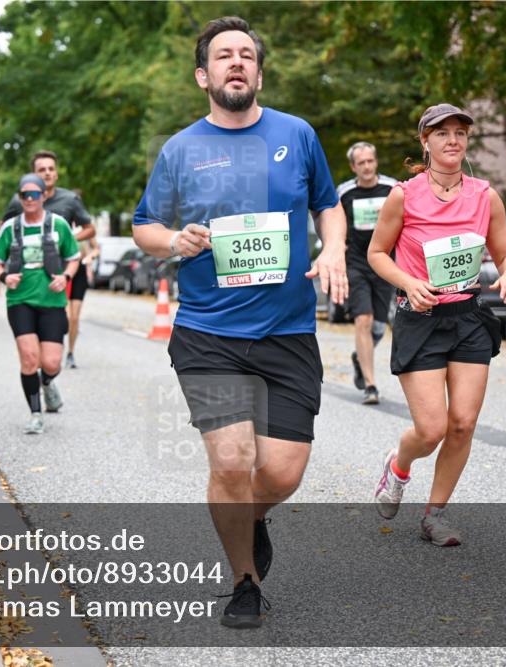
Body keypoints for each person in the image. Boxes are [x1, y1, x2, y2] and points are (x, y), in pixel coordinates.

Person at [132, 16, 346, 629]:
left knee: (280, 471)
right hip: (208, 335)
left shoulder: (297, 135)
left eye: (246, 55)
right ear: (204, 75)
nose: (236, 63)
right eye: (223, 55)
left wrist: (333, 249)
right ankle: (244, 581)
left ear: (257, 71)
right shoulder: (181, 149)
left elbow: (327, 206)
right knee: (230, 463)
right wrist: (175, 239)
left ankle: (252, 517)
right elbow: (145, 226)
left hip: (287, 333)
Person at [368, 104, 506, 546]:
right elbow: (377, 253)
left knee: (462, 425)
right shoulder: (404, 195)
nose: (452, 140)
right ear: (426, 141)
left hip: (469, 316)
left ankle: (434, 515)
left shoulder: (484, 195)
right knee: (432, 428)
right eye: (442, 133)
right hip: (421, 318)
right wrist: (409, 282)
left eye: (460, 132)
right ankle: (399, 464)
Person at [0, 174, 80, 435]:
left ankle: (47, 382)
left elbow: (73, 258)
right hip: (20, 301)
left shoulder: (58, 224)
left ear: (43, 196)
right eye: (25, 195)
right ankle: (35, 413)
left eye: (35, 195)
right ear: (20, 198)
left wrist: (66, 277)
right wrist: (5, 277)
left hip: (52, 300)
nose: (30, 199)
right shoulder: (11, 228)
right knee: (29, 359)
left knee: (51, 363)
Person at [3, 151, 95, 369]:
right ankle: (44, 361)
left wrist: (66, 239)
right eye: (41, 170)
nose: (47, 173)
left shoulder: (70, 199)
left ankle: (68, 353)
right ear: (33, 175)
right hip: (37, 273)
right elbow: (4, 230)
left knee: (71, 317)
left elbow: (90, 229)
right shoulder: (21, 200)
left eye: (51, 169)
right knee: (47, 319)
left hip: (69, 267)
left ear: (57, 173)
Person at [336, 142, 399, 405]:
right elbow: (332, 222)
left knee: (378, 326)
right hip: (356, 263)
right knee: (363, 319)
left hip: (384, 261)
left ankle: (360, 358)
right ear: (354, 167)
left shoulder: (392, 188)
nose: (367, 167)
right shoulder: (344, 192)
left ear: (376, 161)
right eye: (361, 163)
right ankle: (371, 385)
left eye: (370, 161)